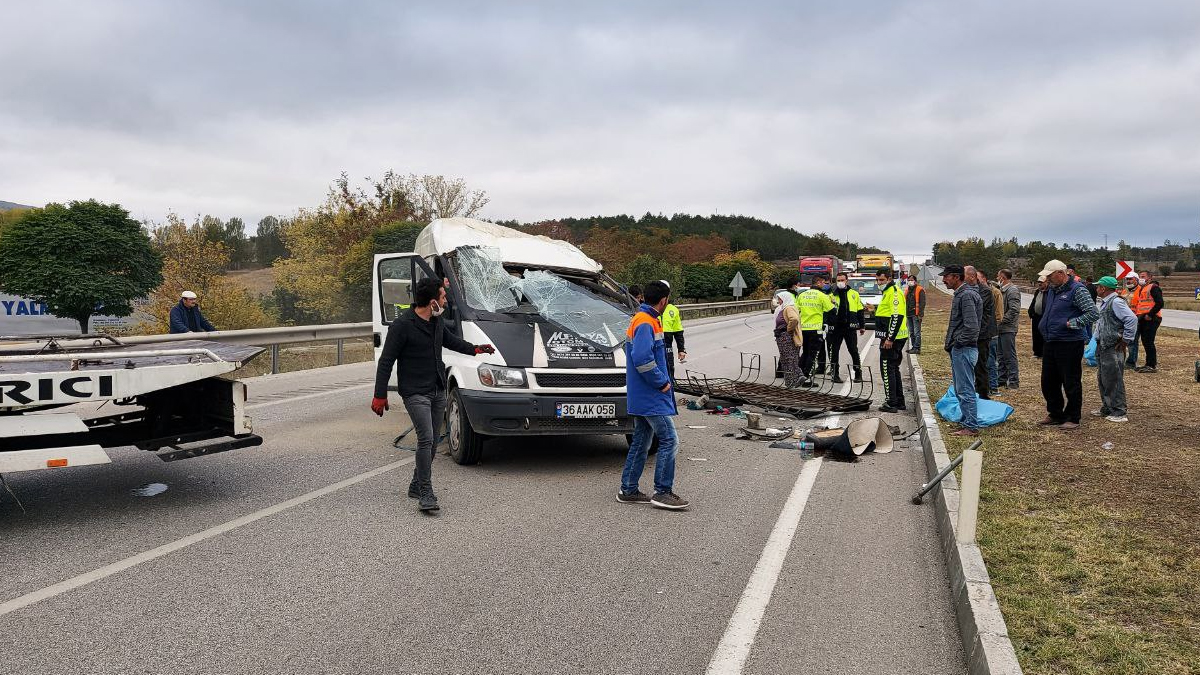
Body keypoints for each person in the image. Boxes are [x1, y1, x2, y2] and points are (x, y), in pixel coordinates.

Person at [371, 278, 496, 512]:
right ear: (432, 302)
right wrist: (380, 394)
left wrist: (476, 349)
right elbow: (386, 361)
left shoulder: (436, 322)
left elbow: (452, 341)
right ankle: (426, 492)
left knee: (432, 443)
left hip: (437, 389)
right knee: (426, 438)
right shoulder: (402, 326)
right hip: (414, 391)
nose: (445, 300)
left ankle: (416, 483)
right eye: (443, 297)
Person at [618, 280, 689, 510]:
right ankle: (663, 491)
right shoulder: (646, 322)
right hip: (650, 394)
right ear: (664, 300)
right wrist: (662, 384)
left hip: (642, 393)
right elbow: (642, 359)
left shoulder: (643, 319)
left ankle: (628, 489)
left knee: (641, 440)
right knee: (669, 439)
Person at [1037, 259, 1100, 430]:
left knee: (1070, 380)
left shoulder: (1077, 290)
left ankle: (1073, 416)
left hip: (1069, 342)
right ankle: (1055, 413)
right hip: (1051, 340)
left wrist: (1071, 323)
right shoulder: (1052, 290)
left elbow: (1093, 313)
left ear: (1061, 274)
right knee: (1049, 381)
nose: (1047, 279)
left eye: (1050, 276)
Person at [942, 265, 981, 436]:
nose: (944, 280)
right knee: (961, 388)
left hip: (964, 349)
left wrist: (957, 343)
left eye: (946, 277)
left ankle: (971, 426)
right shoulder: (962, 294)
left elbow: (971, 327)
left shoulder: (966, 295)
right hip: (961, 348)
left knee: (965, 388)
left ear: (956, 277)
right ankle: (967, 420)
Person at [1092, 276, 1137, 423]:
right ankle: (1107, 407)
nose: (1097, 288)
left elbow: (1131, 319)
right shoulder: (1107, 302)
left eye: (1098, 286)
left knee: (1114, 379)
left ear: (1103, 288)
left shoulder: (1116, 302)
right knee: (1104, 378)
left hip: (1112, 346)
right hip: (1103, 345)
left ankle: (1119, 411)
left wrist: (1125, 340)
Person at [874, 267, 908, 412]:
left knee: (887, 370)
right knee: (893, 369)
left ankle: (891, 403)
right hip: (892, 337)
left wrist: (890, 338)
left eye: (881, 280)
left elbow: (897, 316)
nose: (878, 283)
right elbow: (888, 314)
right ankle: (899, 401)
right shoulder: (887, 292)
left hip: (893, 339)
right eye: (877, 280)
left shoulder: (894, 293)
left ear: (889, 279)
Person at [795, 273, 835, 383]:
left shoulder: (802, 295)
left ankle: (798, 373)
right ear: (818, 282)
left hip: (803, 329)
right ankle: (805, 376)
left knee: (805, 352)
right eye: (823, 282)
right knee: (812, 354)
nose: (824, 285)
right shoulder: (822, 296)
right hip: (816, 329)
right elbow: (832, 311)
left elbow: (796, 310)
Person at [964, 266, 996, 400]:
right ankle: (971, 391)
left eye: (963, 275)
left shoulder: (985, 291)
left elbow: (975, 307)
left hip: (982, 334)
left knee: (981, 364)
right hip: (971, 333)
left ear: (972, 277)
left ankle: (983, 393)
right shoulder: (967, 289)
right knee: (969, 364)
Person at [828, 272, 866, 383]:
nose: (840, 282)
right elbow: (827, 311)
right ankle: (835, 374)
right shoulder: (831, 295)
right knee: (834, 351)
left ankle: (858, 373)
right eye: (838, 280)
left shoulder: (854, 294)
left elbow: (860, 311)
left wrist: (862, 325)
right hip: (836, 328)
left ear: (846, 281)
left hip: (850, 327)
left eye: (842, 280)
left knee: (853, 350)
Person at [1127, 269, 1164, 373]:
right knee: (1145, 341)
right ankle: (1148, 364)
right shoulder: (1142, 288)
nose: (1141, 278)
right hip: (1143, 318)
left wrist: (1150, 314)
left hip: (1152, 318)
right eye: (1140, 276)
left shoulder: (1154, 287)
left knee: (1148, 342)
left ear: (1150, 277)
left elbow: (1160, 303)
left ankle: (1151, 365)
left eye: (1143, 276)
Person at [774, 279, 805, 387]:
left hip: (786, 337)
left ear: (785, 299)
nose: (779, 301)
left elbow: (794, 319)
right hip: (782, 336)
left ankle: (793, 380)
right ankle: (793, 380)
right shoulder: (785, 308)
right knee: (787, 359)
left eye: (780, 299)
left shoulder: (788, 308)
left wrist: (788, 330)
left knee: (788, 359)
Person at [996, 269, 1021, 389]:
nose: (997, 278)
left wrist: (1001, 320)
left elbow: (1014, 310)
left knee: (1009, 355)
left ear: (1002, 277)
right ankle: (1001, 379)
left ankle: (1013, 381)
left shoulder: (1012, 290)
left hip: (1008, 328)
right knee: (1000, 355)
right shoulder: (1002, 290)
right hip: (1001, 328)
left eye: (998, 276)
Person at [661, 295, 687, 380]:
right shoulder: (651, 309)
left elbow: (678, 332)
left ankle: (670, 387)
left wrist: (681, 349)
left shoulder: (673, 310)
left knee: (669, 368)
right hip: (653, 346)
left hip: (667, 346)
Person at [905, 275, 926, 354]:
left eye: (911, 280)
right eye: (909, 280)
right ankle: (913, 347)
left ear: (915, 281)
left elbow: (922, 303)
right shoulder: (907, 290)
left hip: (916, 314)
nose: (910, 281)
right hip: (908, 314)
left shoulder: (920, 290)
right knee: (911, 332)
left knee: (917, 332)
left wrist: (920, 315)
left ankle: (917, 348)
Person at [1028, 276, 1048, 358]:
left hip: (1044, 317)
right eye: (1039, 282)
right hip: (1036, 316)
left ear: (1046, 282)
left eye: (1041, 282)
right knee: (1036, 334)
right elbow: (1034, 302)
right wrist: (1031, 312)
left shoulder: (1049, 292)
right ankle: (1037, 352)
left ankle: (1044, 353)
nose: (1039, 284)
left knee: (1043, 335)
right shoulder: (1037, 291)